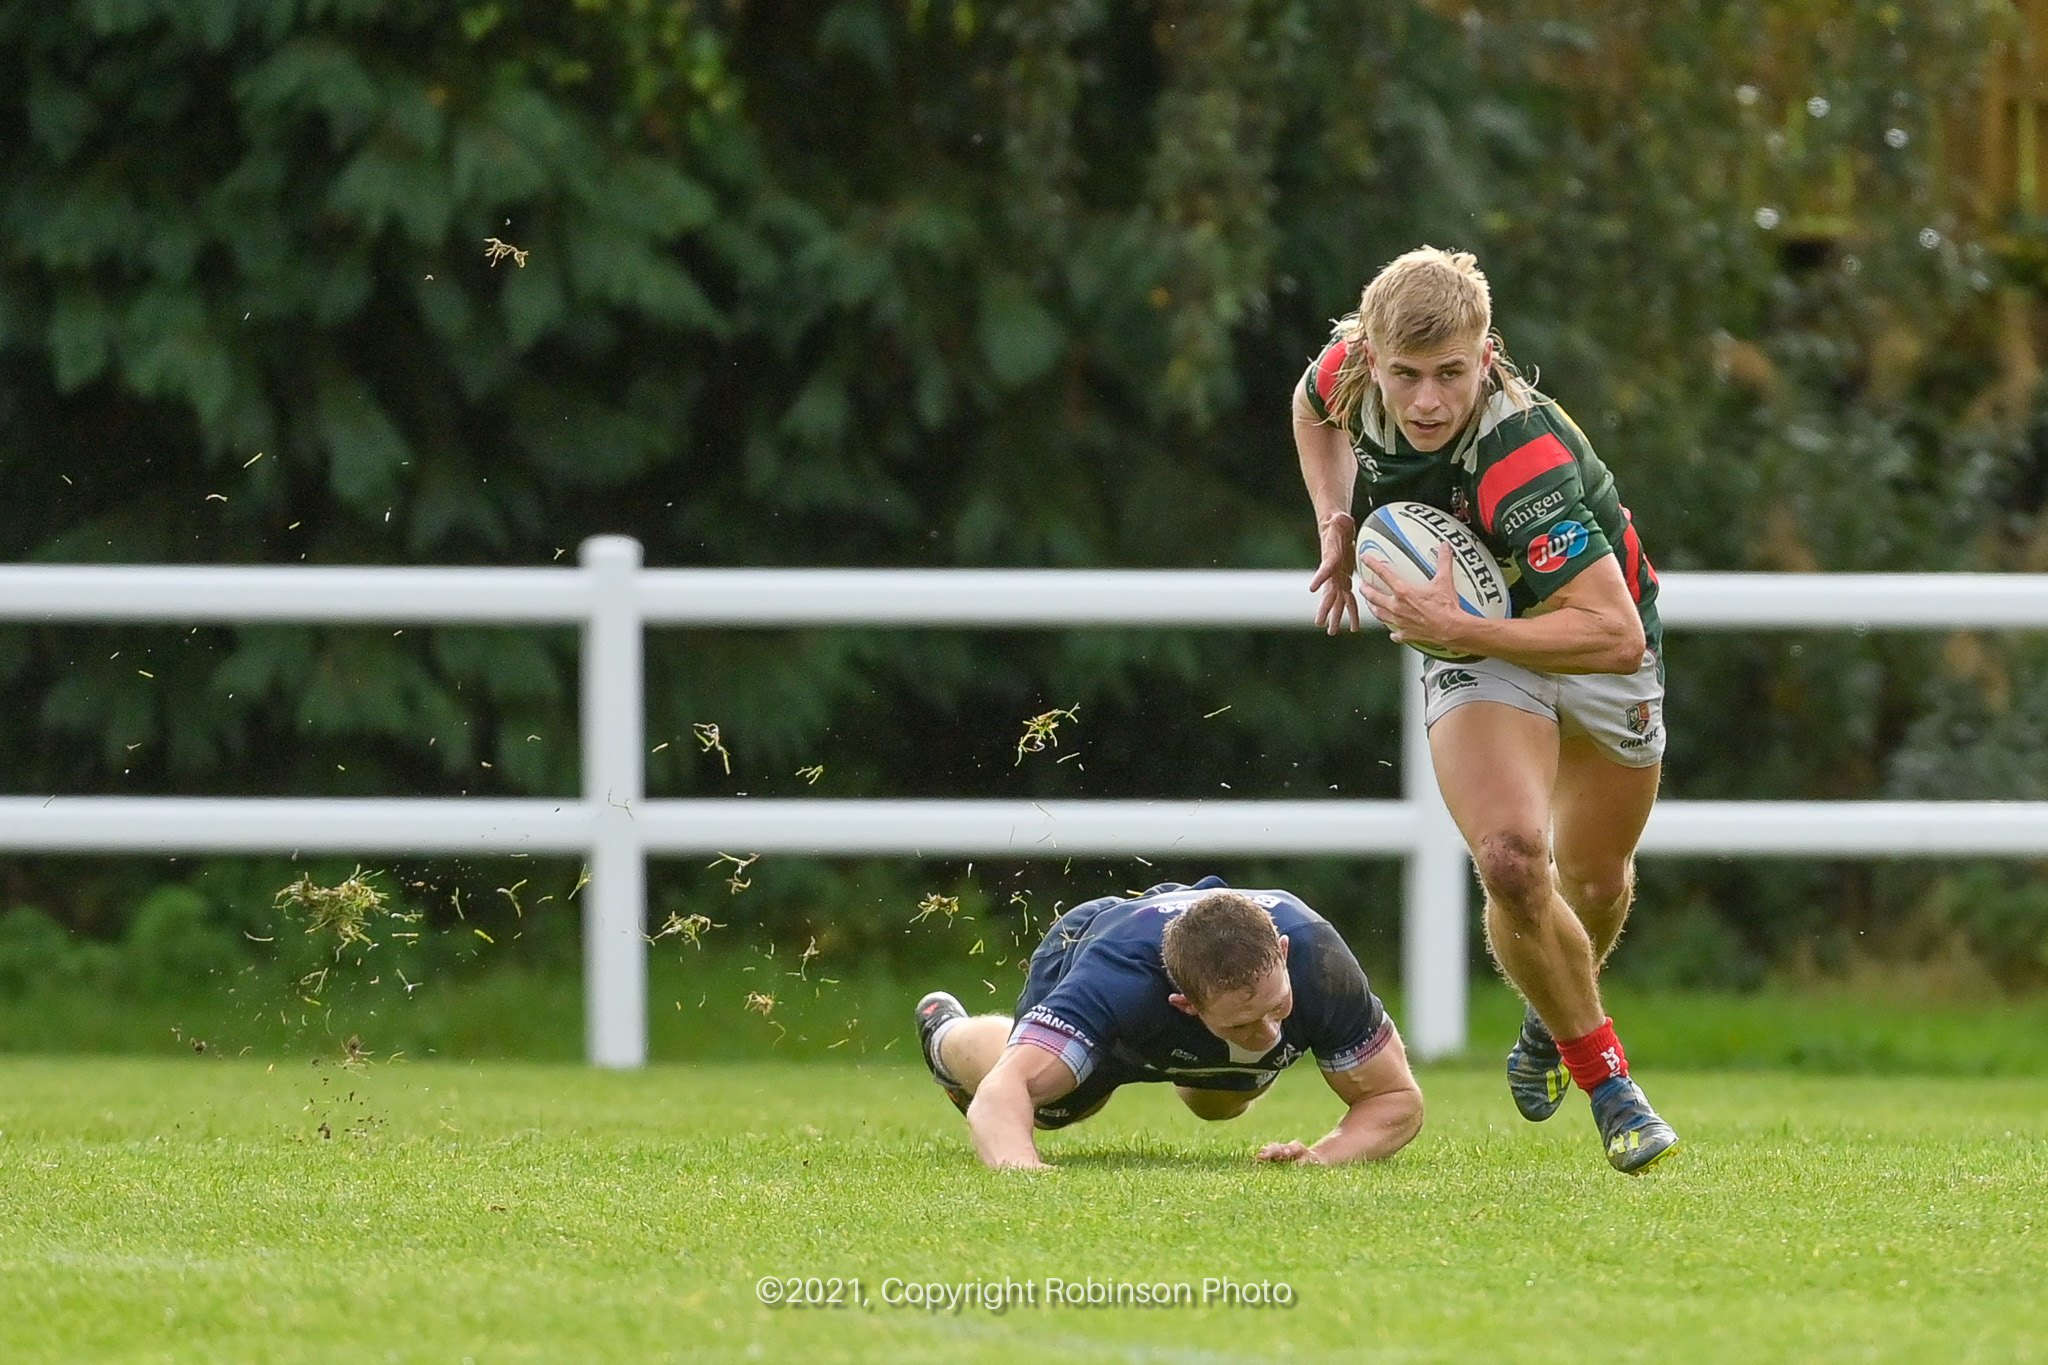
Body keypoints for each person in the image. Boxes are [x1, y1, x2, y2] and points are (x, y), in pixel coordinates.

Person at [1290, 246, 1679, 1173]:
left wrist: (1457, 623)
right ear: (1373, 356)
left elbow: (1615, 635)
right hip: (1475, 643)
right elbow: (1309, 407)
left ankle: (1552, 1014)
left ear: (1487, 355)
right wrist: (1335, 520)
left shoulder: (1520, 459)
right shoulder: (1352, 373)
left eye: (1452, 374)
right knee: (1510, 860)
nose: (1427, 401)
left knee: (1596, 883)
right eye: (1407, 375)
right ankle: (1611, 1085)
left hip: (1591, 639)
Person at [913, 878, 1424, 1170]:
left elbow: (1396, 1100)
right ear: (1185, 1005)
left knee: (1220, 1102)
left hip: (1196, 966)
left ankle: (1212, 1057)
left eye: (1278, 1006)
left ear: (1284, 954)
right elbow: (1005, 1091)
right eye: (1244, 1023)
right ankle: (945, 1033)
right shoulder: (1115, 980)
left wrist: (1321, 1159)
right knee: (1053, 1106)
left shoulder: (1318, 959)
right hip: (1095, 947)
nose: (1270, 1035)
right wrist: (1023, 1169)